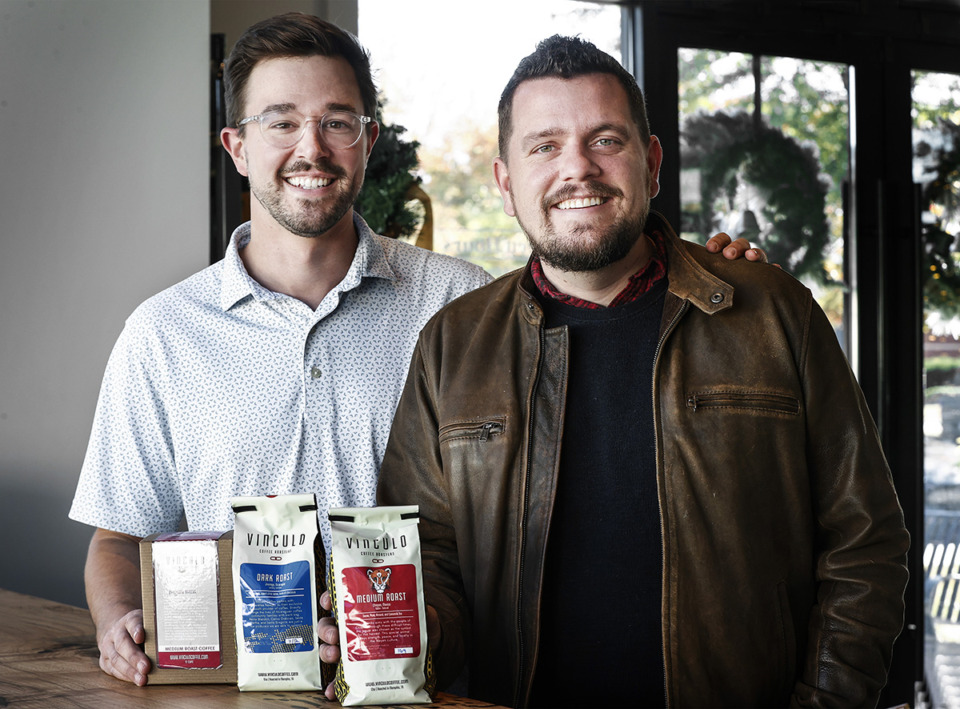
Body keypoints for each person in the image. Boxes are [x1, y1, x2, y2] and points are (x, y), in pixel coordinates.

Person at [69, 15, 759, 688]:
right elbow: (118, 537)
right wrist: (117, 620)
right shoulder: (164, 333)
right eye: (280, 121)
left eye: (338, 121)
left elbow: (595, 297)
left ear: (368, 141)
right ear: (236, 145)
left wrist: (706, 271)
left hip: (430, 686)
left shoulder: (459, 304)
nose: (311, 147)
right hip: (229, 691)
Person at [347, 35, 910, 707]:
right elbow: (427, 557)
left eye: (605, 140)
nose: (577, 169)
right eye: (545, 145)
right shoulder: (453, 344)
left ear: (651, 162)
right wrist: (414, 627)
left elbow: (864, 542)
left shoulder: (771, 313)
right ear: (506, 182)